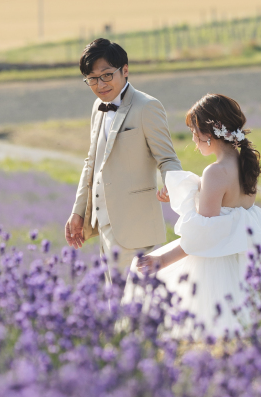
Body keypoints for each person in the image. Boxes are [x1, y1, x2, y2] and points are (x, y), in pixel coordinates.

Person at [133, 93, 261, 338]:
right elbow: (229, 210)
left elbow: (204, 235)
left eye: (194, 133)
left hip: (214, 266)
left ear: (208, 133)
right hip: (242, 265)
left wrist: (162, 261)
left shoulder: (215, 172)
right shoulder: (245, 165)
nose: (194, 141)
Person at [64, 37, 182, 273]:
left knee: (137, 305)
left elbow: (168, 158)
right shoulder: (97, 108)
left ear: (125, 70)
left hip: (136, 229)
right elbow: (91, 163)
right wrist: (78, 211)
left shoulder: (147, 107)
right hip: (104, 227)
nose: (100, 84)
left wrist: (174, 185)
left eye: (107, 75)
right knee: (114, 306)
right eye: (92, 79)